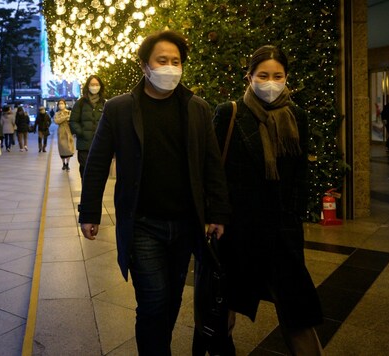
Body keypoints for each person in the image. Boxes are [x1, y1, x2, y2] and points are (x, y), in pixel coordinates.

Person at [77, 30, 230, 355]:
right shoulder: (120, 109)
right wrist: (89, 212)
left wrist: (217, 213)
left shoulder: (197, 109)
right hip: (143, 224)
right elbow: (98, 162)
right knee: (154, 299)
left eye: (176, 61)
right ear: (145, 65)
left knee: (172, 298)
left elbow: (211, 165)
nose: (170, 67)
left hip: (185, 224)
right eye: (163, 60)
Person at [207, 45, 324, 356]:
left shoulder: (297, 116)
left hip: (282, 231)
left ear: (286, 78)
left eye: (278, 75)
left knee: (297, 308)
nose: (270, 82)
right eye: (263, 75)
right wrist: (216, 215)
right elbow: (214, 171)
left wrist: (296, 216)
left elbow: (300, 171)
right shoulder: (229, 113)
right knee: (225, 303)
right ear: (249, 77)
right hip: (239, 230)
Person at [70, 75, 107, 178]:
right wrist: (81, 132)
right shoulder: (80, 103)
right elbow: (73, 121)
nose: (94, 87)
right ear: (87, 86)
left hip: (100, 146)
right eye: (92, 84)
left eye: (96, 84)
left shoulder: (104, 103)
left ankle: (95, 193)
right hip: (84, 146)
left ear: (100, 86)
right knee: (86, 172)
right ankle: (86, 193)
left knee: (98, 174)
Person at [53, 99, 74, 170]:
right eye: (59, 104)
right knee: (62, 148)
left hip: (68, 132)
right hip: (61, 132)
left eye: (62, 103)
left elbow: (72, 120)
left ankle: (67, 163)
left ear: (65, 104)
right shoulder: (57, 113)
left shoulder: (69, 112)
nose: (61, 105)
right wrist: (65, 117)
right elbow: (56, 121)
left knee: (68, 148)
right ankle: (63, 163)